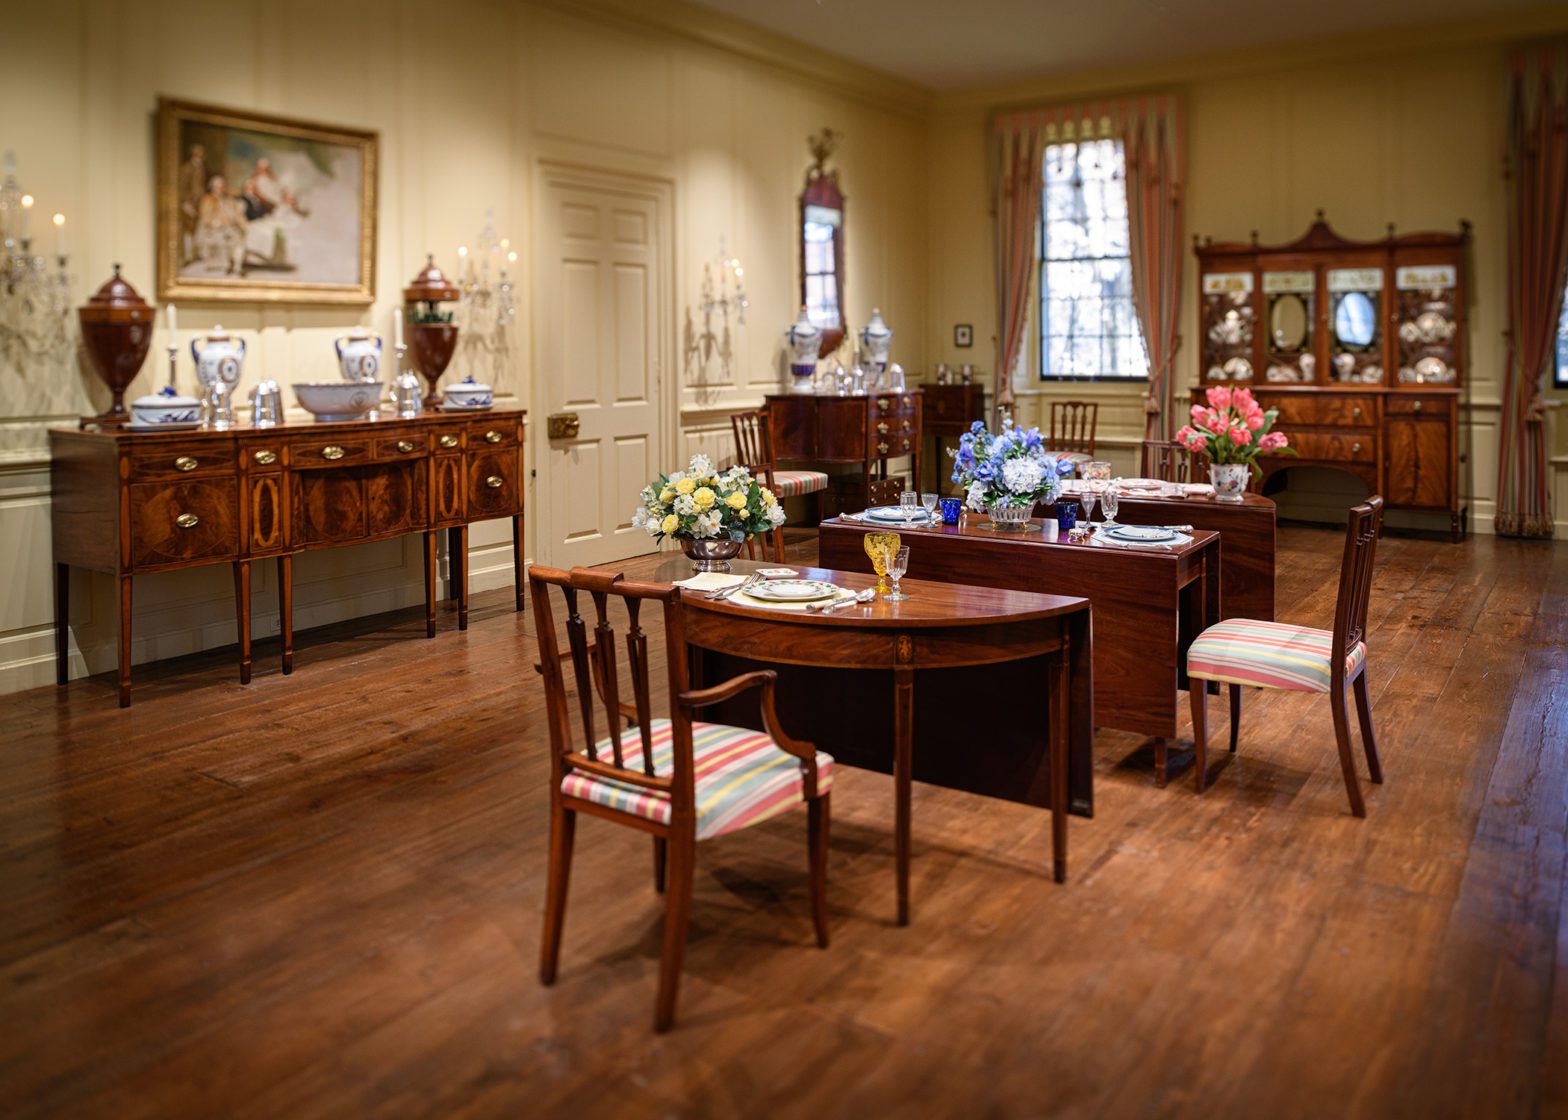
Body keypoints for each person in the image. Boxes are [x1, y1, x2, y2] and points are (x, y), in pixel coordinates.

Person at [195, 175, 246, 275]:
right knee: (223, 239)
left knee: (239, 241)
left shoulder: (228, 199)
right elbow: (205, 217)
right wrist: (215, 223)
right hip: (213, 228)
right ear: (213, 188)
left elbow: (236, 214)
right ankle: (226, 266)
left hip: (228, 228)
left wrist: (242, 225)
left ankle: (237, 267)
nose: (220, 189)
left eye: (222, 187)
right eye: (217, 187)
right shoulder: (207, 199)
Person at [177, 143, 207, 264]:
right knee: (188, 229)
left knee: (196, 229)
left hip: (198, 203)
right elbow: (182, 186)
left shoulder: (200, 168)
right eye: (199, 154)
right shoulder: (187, 168)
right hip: (188, 203)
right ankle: (187, 255)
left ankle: (194, 254)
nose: (201, 156)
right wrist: (186, 202)